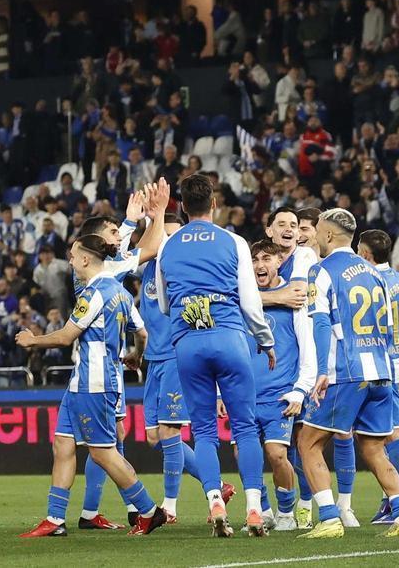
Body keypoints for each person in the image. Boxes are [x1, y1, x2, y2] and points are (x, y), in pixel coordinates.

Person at [15, 234, 166, 538]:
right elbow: (142, 333)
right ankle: (55, 519)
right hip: (81, 383)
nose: (70, 261)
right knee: (62, 444)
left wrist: (32, 340)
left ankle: (149, 511)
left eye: (73, 256)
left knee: (102, 453)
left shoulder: (93, 293)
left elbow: (65, 336)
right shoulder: (121, 292)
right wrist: (135, 356)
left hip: (94, 383)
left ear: (85, 258)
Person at [155, 173, 275, 538]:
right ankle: (254, 509)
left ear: (181, 206)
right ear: (214, 203)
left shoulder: (167, 246)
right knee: (245, 427)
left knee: (204, 431)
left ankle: (214, 502)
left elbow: (164, 304)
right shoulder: (233, 241)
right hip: (229, 338)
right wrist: (265, 340)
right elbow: (250, 301)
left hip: (188, 342)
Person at [297, 208, 399, 539]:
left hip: (346, 372)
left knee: (308, 442)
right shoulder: (376, 273)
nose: (315, 236)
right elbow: (391, 327)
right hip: (381, 371)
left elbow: (321, 323)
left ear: (329, 234)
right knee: (374, 448)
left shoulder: (321, 271)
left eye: (318, 230)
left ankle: (329, 518)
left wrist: (322, 371)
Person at [132, 212, 220, 524]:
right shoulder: (146, 268)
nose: (167, 242)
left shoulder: (187, 272)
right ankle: (217, 486)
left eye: (174, 236)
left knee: (170, 430)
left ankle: (169, 507)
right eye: (162, 235)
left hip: (175, 356)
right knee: (154, 437)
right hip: (153, 358)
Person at [245, 240, 317, 532]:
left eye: (266, 259)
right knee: (244, 455)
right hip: (244, 394)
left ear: (279, 262)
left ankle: (286, 512)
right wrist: (222, 392)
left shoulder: (295, 300)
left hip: (279, 394)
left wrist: (300, 390)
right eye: (254, 260)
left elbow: (308, 348)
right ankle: (263, 511)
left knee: (277, 454)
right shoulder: (241, 299)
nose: (260, 265)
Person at [358, 230, 399, 525]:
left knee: (390, 436)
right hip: (398, 363)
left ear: (365, 254)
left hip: (376, 366)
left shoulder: (367, 281)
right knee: (385, 436)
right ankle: (393, 500)